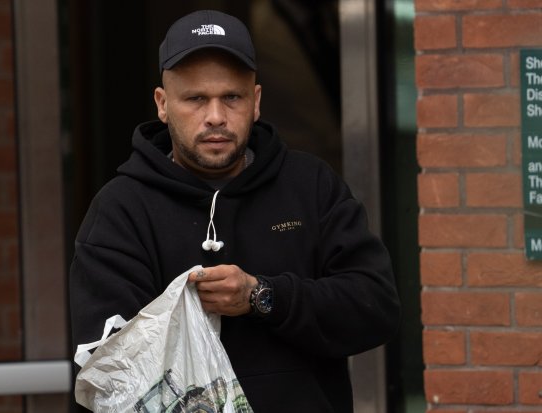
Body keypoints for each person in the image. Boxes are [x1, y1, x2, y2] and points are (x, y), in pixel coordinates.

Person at [69, 9, 400, 412]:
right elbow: (109, 374)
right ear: (163, 104)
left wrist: (262, 295)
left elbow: (376, 308)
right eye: (195, 99)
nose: (215, 117)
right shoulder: (121, 209)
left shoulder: (310, 185)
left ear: (256, 101)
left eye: (232, 97)